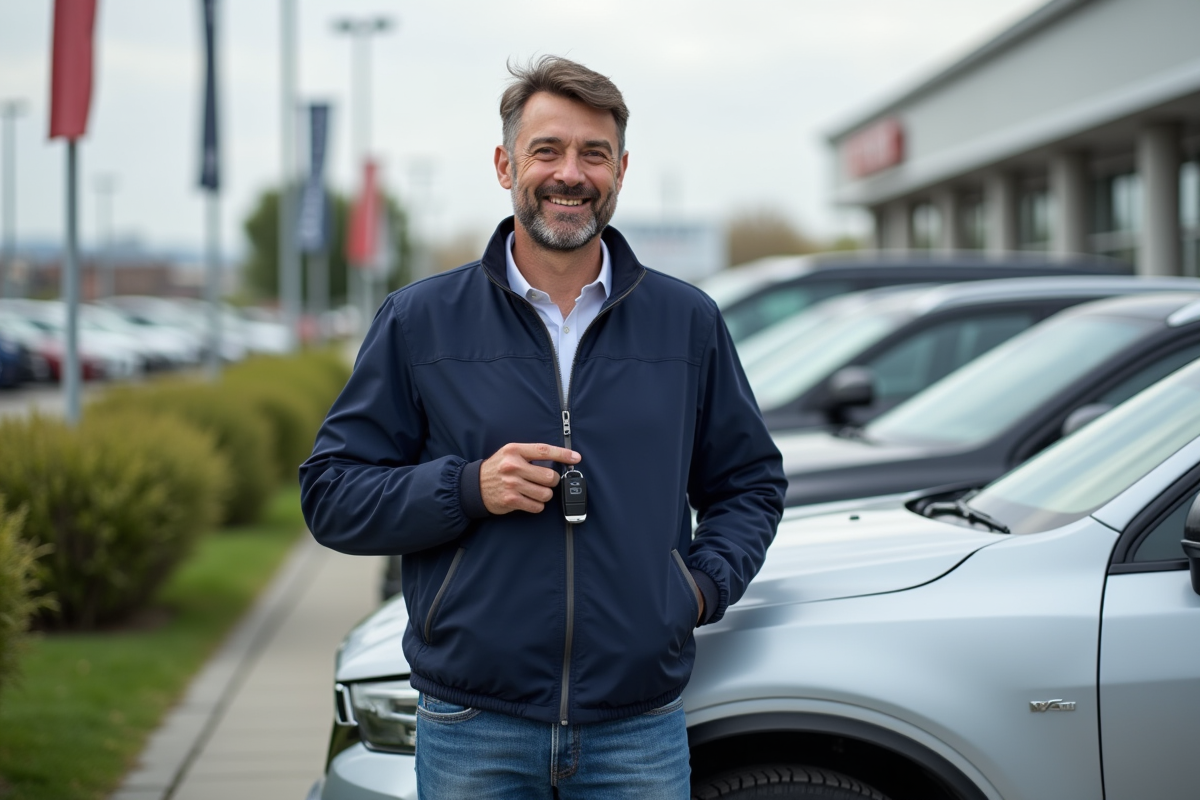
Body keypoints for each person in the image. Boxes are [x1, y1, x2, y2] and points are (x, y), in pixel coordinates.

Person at [299, 55, 785, 799]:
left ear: (621, 170)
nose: (571, 173)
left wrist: (698, 589)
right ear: (505, 164)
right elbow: (331, 493)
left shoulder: (687, 323)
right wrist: (466, 487)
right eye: (547, 150)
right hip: (473, 722)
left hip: (636, 726)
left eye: (594, 154)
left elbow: (749, 482)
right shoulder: (421, 319)